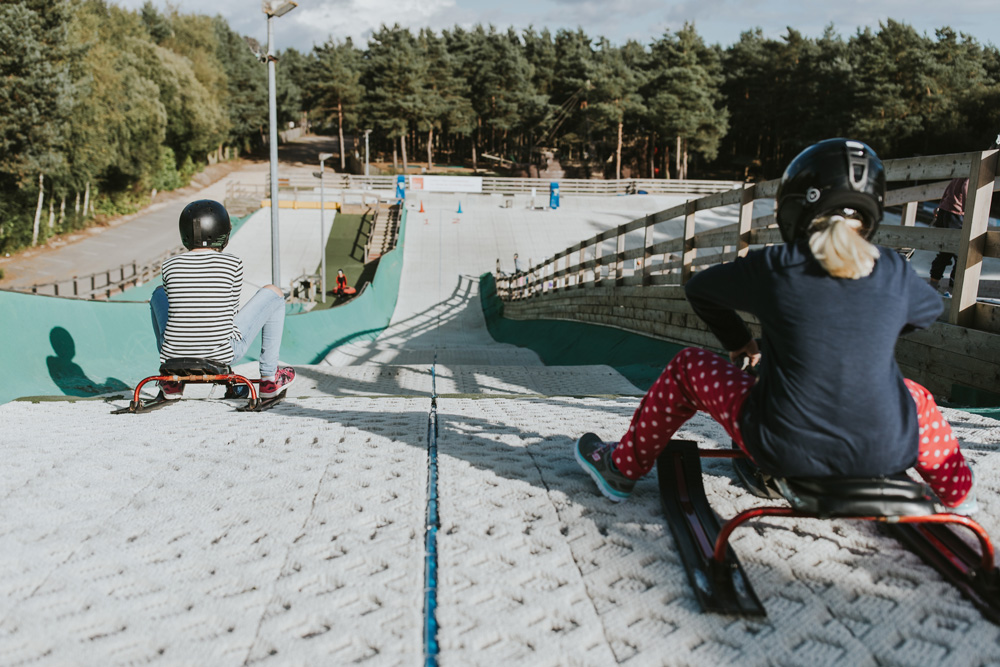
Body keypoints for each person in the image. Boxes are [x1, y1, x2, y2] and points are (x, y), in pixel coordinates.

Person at [575, 138, 976, 514]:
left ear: (795, 206)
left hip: (783, 447)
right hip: (886, 450)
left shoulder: (777, 265)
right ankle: (957, 492)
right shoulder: (891, 270)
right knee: (915, 396)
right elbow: (926, 311)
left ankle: (620, 467)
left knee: (686, 367)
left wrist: (740, 342)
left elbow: (700, 289)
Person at [149, 199, 296, 400]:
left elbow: (174, 303)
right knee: (274, 293)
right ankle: (269, 379)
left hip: (173, 358)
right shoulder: (233, 263)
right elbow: (230, 311)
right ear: (223, 233)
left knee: (158, 293)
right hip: (222, 354)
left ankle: (171, 380)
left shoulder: (169, 265)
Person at [927, 177, 968, 296]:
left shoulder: (961, 173)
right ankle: (952, 291)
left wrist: (940, 205)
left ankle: (933, 285)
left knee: (944, 252)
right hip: (956, 214)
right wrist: (967, 211)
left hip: (944, 212)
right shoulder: (973, 172)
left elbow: (948, 188)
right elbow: (966, 187)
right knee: (960, 255)